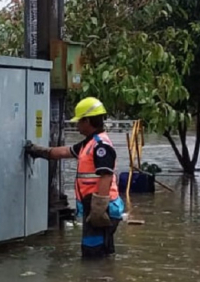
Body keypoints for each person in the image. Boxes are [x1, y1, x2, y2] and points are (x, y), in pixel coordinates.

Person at [24, 97, 125, 258]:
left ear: (87, 121)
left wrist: (98, 209)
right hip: (95, 208)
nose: (76, 125)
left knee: (92, 255)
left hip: (101, 210)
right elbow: (64, 152)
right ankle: (105, 279)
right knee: (101, 253)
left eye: (79, 121)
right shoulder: (89, 143)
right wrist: (38, 151)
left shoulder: (101, 146)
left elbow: (106, 176)